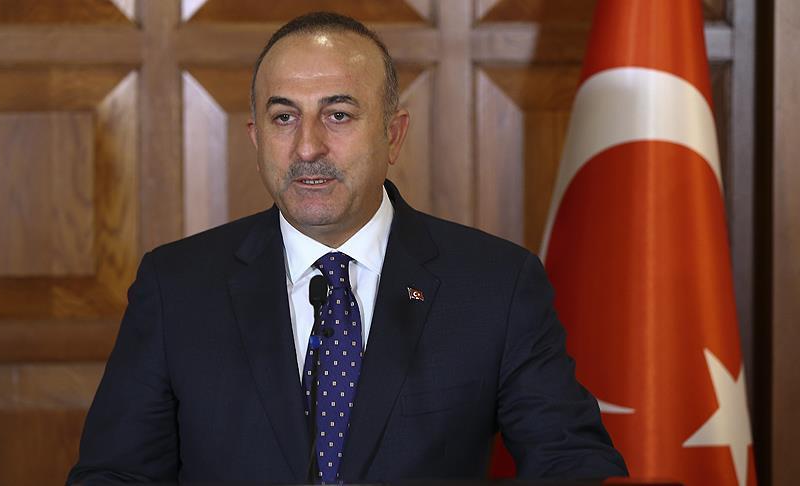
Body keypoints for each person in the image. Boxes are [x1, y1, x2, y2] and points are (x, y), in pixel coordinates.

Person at [68, 11, 627, 484]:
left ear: (393, 134)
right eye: (284, 117)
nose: (307, 147)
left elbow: (570, 461)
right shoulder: (176, 287)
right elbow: (114, 474)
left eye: (338, 115)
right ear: (256, 139)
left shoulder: (496, 284)